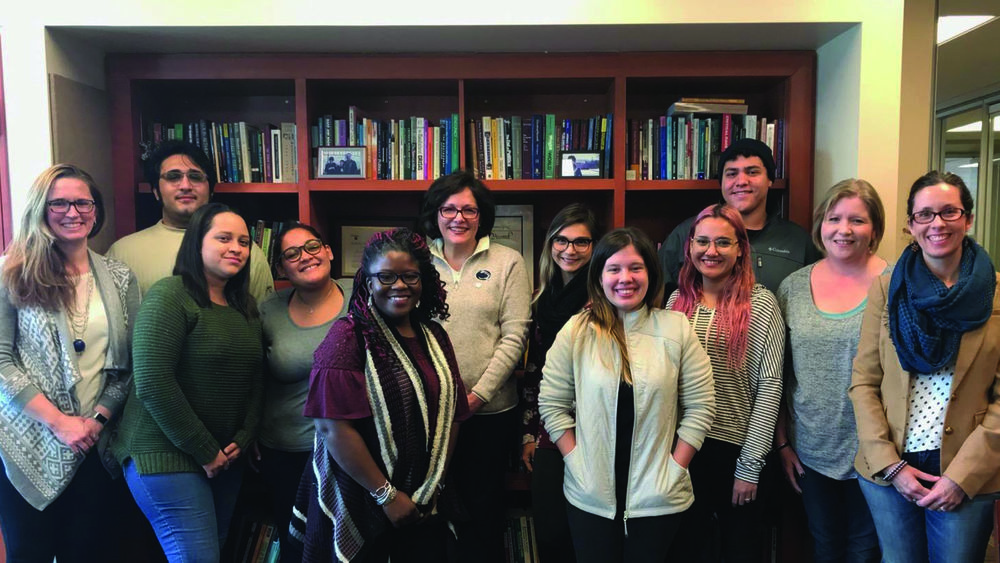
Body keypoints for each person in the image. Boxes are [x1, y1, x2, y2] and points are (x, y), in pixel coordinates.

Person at [289, 228, 470, 562]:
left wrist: (435, 484)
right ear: (368, 282)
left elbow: (453, 414)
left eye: (409, 276)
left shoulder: (435, 336)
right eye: (385, 276)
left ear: (423, 280)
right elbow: (332, 428)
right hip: (362, 493)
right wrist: (386, 496)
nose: (399, 285)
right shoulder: (348, 336)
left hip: (425, 494)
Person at [538, 227, 715, 563]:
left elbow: (701, 406)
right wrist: (576, 461)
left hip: (659, 495)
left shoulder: (676, 328)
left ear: (650, 273)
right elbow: (552, 403)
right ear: (599, 277)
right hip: (590, 495)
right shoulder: (577, 331)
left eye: (636, 268)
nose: (626, 278)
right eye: (614, 269)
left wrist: (675, 468)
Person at [849, 171, 1000, 563]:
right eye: (925, 214)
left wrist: (961, 477)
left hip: (965, 465)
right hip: (891, 464)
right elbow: (864, 381)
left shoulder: (997, 293)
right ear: (910, 224)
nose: (937, 223)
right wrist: (890, 465)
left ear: (967, 219)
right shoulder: (887, 289)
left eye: (950, 212)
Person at [0, 164, 140, 563]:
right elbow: (1, 359)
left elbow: (129, 365)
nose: (72, 212)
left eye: (83, 202)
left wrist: (93, 422)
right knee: (30, 552)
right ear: (40, 209)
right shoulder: (11, 272)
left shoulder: (119, 276)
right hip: (26, 441)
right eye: (59, 203)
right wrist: (59, 423)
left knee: (91, 551)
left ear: (96, 211)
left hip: (95, 442)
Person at [111, 202, 263, 563]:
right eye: (224, 238)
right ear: (197, 243)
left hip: (224, 458)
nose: (236, 248)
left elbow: (257, 378)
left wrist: (243, 438)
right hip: (164, 454)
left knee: (214, 550)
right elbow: (152, 381)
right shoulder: (170, 295)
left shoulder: (246, 306)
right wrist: (205, 450)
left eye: (244, 242)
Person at [417, 170, 531, 562]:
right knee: (427, 510)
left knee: (483, 512)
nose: (458, 218)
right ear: (435, 214)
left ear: (483, 216)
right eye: (449, 209)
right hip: (429, 413)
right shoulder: (415, 260)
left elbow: (515, 336)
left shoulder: (507, 262)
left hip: (491, 413)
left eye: (469, 209)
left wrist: (477, 396)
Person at [774, 179, 887, 563]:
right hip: (811, 448)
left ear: (875, 229)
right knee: (824, 545)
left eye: (857, 220)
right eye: (834, 218)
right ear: (820, 223)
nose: (844, 229)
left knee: (864, 550)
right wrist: (783, 443)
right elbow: (779, 372)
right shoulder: (793, 287)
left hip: (878, 449)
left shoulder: (896, 282)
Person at [666, 203, 785, 563]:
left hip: (737, 450)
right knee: (685, 550)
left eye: (722, 242)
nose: (711, 251)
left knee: (738, 551)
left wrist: (749, 467)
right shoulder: (676, 302)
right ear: (689, 247)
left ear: (740, 249)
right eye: (702, 241)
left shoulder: (761, 304)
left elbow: (770, 387)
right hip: (683, 449)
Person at [256, 223, 349, 561]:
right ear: (280, 267)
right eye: (292, 254)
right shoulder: (268, 309)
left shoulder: (362, 299)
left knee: (346, 546)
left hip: (347, 450)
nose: (305, 257)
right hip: (284, 450)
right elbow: (255, 377)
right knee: (296, 546)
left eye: (312, 246)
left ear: (329, 251)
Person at [519, 203, 600, 563]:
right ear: (550, 244)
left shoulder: (602, 294)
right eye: (561, 240)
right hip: (549, 427)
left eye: (581, 242)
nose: (570, 250)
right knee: (550, 529)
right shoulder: (541, 296)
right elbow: (534, 370)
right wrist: (528, 433)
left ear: (595, 247)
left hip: (594, 425)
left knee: (589, 530)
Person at [107, 139, 274, 300]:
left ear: (211, 190)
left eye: (195, 177)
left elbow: (260, 321)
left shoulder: (241, 250)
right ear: (156, 191)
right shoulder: (123, 253)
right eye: (173, 177)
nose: (185, 185)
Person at [658, 138, 820, 295]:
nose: (741, 181)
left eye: (752, 172)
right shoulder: (687, 233)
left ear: (770, 179)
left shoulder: (798, 241)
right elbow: (658, 295)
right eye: (731, 173)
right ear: (721, 182)